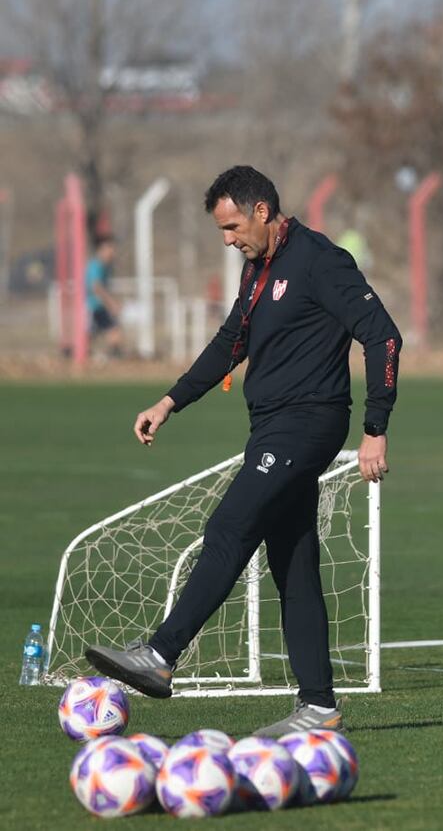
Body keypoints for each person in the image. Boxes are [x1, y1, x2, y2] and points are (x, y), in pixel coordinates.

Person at [84, 165, 402, 733]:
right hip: (270, 427)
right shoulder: (257, 270)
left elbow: (382, 335)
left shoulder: (320, 260)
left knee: (230, 525)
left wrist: (375, 426)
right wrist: (169, 402)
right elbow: (231, 341)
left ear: (262, 211)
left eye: (232, 226)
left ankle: (161, 655)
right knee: (294, 562)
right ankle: (320, 707)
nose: (228, 239)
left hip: (308, 424)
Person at [86, 234, 125, 357]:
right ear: (101, 249)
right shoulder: (95, 266)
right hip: (92, 308)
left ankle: (111, 358)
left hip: (99, 307)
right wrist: (111, 304)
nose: (112, 252)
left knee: (113, 334)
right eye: (110, 248)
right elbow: (96, 287)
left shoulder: (105, 267)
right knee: (114, 334)